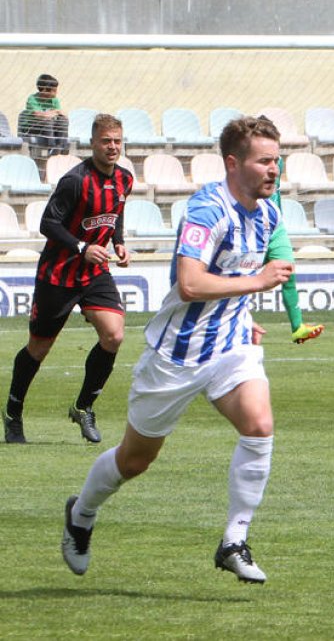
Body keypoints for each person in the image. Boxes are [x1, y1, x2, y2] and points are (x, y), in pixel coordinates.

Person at [60, 116, 294, 583]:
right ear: (234, 163)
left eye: (277, 160)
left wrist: (245, 314)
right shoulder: (208, 209)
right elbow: (188, 284)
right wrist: (258, 282)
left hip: (230, 348)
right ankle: (81, 513)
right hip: (177, 355)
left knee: (260, 425)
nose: (274, 169)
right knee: (135, 460)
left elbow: (231, 279)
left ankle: (234, 539)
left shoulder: (268, 213)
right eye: (265, 161)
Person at [3, 114, 132, 445]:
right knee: (39, 348)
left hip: (94, 273)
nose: (113, 146)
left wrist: (117, 241)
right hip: (58, 274)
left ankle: (83, 406)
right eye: (106, 141)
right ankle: (13, 412)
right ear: (93, 143)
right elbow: (48, 224)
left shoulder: (124, 179)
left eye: (117, 140)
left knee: (114, 335)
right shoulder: (76, 181)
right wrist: (81, 246)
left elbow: (115, 214)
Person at [268, 155, 324, 343]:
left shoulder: (279, 161)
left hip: (276, 227)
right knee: (239, 275)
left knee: (288, 274)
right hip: (252, 224)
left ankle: (298, 327)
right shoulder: (251, 161)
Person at [19, 74, 69, 152]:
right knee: (46, 120)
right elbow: (38, 115)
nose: (56, 93)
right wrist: (53, 112)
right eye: (54, 91)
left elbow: (62, 114)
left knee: (63, 120)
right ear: (44, 90)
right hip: (33, 128)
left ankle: (62, 148)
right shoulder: (32, 99)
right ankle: (51, 147)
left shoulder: (54, 100)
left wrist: (58, 114)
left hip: (49, 128)